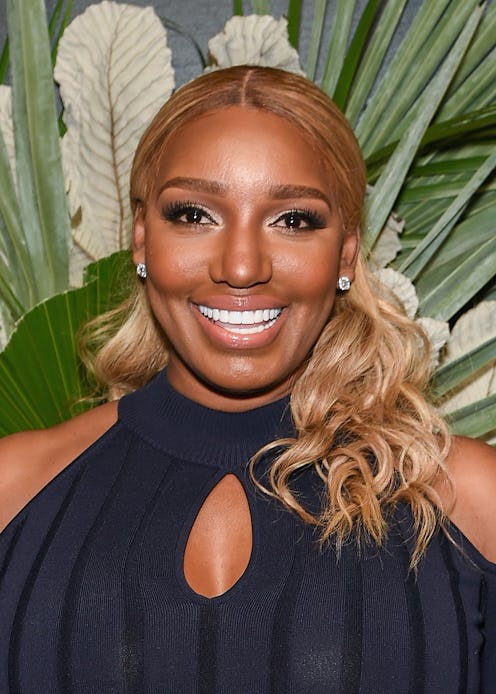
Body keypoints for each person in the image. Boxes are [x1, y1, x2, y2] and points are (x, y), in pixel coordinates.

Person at [0, 65, 495, 693]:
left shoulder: (470, 502)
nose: (241, 266)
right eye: (194, 214)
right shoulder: (13, 489)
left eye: (292, 220)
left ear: (345, 253)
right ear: (141, 238)